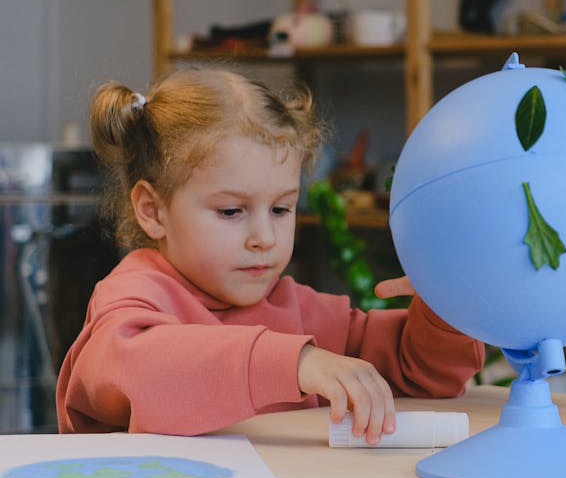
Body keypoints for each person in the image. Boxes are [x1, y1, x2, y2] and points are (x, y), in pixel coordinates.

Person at [57, 68, 484, 443]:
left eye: (281, 209)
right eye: (231, 211)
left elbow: (419, 373)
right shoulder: (131, 300)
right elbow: (141, 369)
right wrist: (293, 362)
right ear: (153, 210)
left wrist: (443, 306)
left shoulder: (299, 310)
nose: (264, 237)